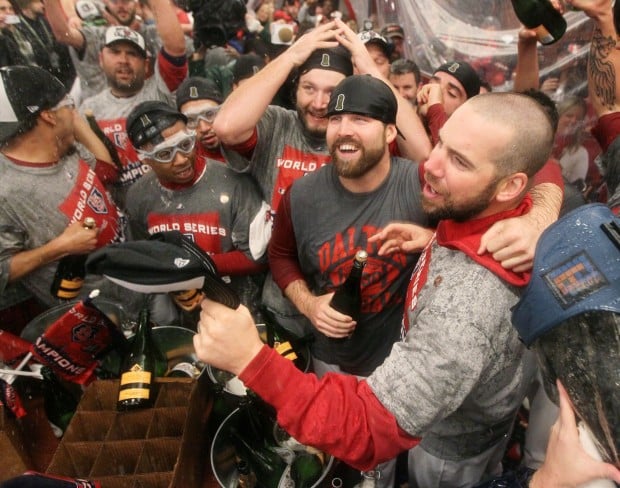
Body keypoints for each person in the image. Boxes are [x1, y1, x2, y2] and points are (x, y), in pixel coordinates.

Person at [194, 91, 556, 487]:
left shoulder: (466, 307)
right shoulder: (486, 213)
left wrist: (250, 359)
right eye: (440, 144)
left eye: (459, 161)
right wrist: (437, 239)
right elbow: (542, 162)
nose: (431, 165)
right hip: (457, 410)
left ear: (510, 186)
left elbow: (367, 427)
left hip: (446, 445)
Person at [213, 18, 431, 334]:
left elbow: (422, 154)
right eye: (308, 88)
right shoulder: (277, 124)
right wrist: (290, 56)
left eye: (332, 92)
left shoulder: (362, 135)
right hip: (285, 306)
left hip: (355, 310)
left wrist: (369, 66)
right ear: (295, 87)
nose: (318, 103)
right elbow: (226, 126)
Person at [269, 74, 427, 374]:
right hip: (331, 363)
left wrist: (432, 237)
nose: (344, 131)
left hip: (405, 365)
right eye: (335, 119)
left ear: (390, 132)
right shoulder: (302, 196)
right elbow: (280, 256)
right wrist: (309, 305)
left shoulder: (419, 185)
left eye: (359, 120)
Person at [124, 101, 271, 320]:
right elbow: (143, 256)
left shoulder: (235, 182)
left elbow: (259, 258)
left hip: (238, 306)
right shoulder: (138, 196)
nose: (181, 159)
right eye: (164, 154)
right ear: (144, 159)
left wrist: (192, 268)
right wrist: (174, 280)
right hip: (179, 309)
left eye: (185, 145)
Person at [0, 65, 127, 310]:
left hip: (126, 280)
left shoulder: (63, 147)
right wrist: (60, 247)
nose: (75, 111)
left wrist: (68, 116)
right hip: (92, 315)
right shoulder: (6, 191)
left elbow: (106, 170)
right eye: (70, 103)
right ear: (47, 116)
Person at [78, 12, 187, 208]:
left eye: (132, 54)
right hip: (124, 211)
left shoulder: (160, 91)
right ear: (101, 59)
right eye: (116, 52)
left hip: (174, 202)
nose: (123, 60)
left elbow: (176, 49)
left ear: (146, 65)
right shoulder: (88, 110)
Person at [44, 0, 171, 101]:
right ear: (105, 4)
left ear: (136, 4)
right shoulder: (95, 36)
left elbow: (178, 48)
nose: (121, 6)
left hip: (143, 112)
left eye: (126, 1)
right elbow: (63, 35)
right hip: (99, 118)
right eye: (115, 1)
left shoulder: (152, 34)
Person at [13, 0, 76, 89]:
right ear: (27, 3)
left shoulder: (45, 20)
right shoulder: (17, 27)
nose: (42, 5)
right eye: (38, 1)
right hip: (41, 78)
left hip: (62, 74)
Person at [175, 77, 226, 163]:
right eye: (191, 120)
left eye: (210, 114)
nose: (204, 128)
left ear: (224, 109)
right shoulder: (186, 163)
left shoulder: (250, 141)